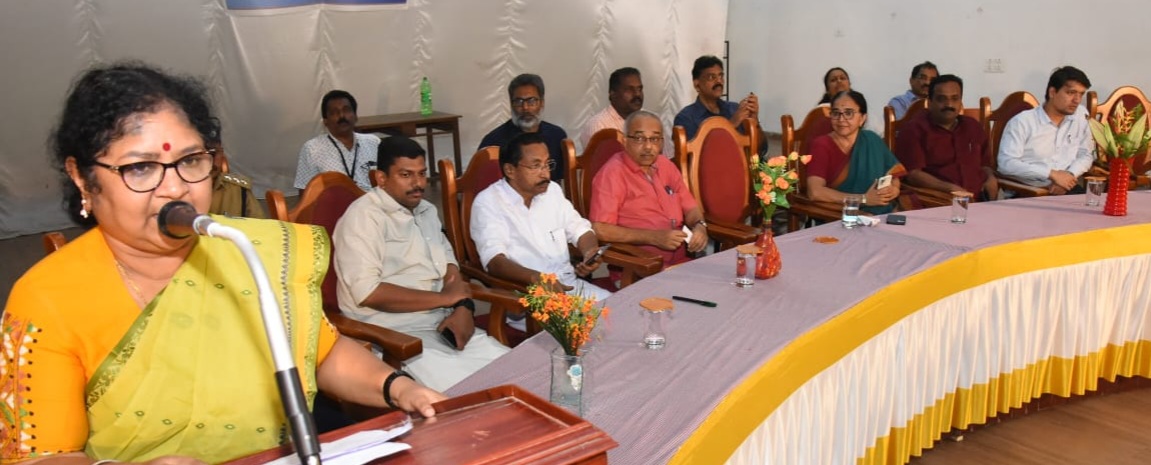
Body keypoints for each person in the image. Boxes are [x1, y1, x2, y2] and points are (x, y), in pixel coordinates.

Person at [0, 62, 443, 465]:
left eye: (191, 161)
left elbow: (322, 353)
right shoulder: (48, 300)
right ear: (82, 178)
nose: (175, 188)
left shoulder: (248, 250)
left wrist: (399, 388)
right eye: (141, 168)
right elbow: (40, 458)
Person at [334, 135, 510, 392]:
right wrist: (445, 299)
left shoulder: (426, 210)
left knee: (517, 373)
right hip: (395, 337)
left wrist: (463, 307)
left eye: (422, 173)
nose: (418, 183)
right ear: (381, 178)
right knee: (470, 395)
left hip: (443, 324)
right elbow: (369, 292)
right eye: (406, 175)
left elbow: (449, 266)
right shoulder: (363, 217)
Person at [471, 132, 612, 303]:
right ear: (510, 170)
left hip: (569, 286)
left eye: (547, 164)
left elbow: (580, 229)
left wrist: (590, 252)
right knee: (600, 318)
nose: (545, 174)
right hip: (527, 296)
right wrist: (537, 278)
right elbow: (494, 261)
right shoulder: (489, 202)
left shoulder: (552, 191)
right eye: (536, 166)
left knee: (623, 307)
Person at [589, 110, 708, 272]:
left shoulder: (666, 165)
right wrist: (653, 237)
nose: (648, 146)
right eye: (639, 138)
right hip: (640, 267)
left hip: (680, 262)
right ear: (625, 141)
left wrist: (700, 226)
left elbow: (691, 208)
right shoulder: (612, 173)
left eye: (655, 139)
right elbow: (600, 229)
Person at [894, 74, 997, 200]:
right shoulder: (914, 130)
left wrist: (991, 178)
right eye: (941, 99)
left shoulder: (972, 126)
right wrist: (949, 189)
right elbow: (913, 174)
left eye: (955, 98)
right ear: (930, 102)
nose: (949, 104)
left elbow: (985, 164)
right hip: (938, 199)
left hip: (980, 199)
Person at [997, 66, 1095, 195]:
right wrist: (1052, 174)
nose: (1077, 100)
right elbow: (1006, 163)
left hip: (1067, 187)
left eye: (1081, 94)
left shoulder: (1081, 115)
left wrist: (1068, 176)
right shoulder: (1022, 122)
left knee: (1097, 205)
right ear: (1052, 92)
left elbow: (1086, 154)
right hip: (1028, 190)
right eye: (1071, 93)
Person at [806, 90, 907, 214]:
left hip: (883, 211)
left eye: (849, 113)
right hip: (840, 214)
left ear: (862, 118)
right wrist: (863, 199)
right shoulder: (822, 145)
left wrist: (894, 189)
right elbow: (815, 192)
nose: (841, 119)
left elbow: (893, 174)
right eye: (836, 113)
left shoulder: (871, 139)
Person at [478, 74, 568, 183]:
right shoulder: (493, 142)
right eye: (519, 102)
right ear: (511, 104)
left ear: (542, 103)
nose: (525, 108)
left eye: (531, 101)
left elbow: (560, 179)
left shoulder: (557, 136)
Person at [294, 90, 378, 191]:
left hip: (373, 199)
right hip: (336, 200)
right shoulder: (312, 149)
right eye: (334, 112)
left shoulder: (373, 142)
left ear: (355, 116)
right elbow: (306, 192)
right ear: (325, 121)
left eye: (346, 110)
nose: (342, 116)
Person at [673, 55, 759, 141]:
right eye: (711, 77)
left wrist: (754, 120)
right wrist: (731, 125)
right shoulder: (686, 118)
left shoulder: (734, 109)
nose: (719, 81)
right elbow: (698, 149)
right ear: (697, 84)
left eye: (720, 76)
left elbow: (760, 147)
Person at [578, 67, 644, 148]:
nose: (637, 94)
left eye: (639, 89)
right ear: (613, 94)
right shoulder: (599, 125)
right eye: (630, 90)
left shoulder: (650, 120)